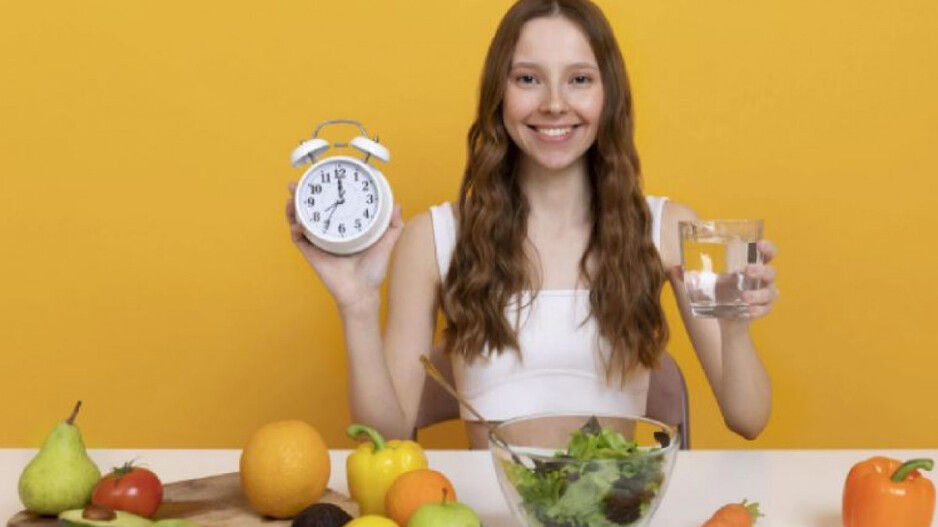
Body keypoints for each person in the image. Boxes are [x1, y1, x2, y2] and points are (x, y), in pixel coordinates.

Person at [286, 0, 777, 448]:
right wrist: (356, 304)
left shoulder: (669, 229)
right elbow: (383, 435)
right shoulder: (433, 238)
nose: (555, 103)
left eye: (580, 79)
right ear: (498, 93)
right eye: (528, 79)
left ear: (610, 94)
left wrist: (734, 328)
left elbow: (748, 417)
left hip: (613, 513)